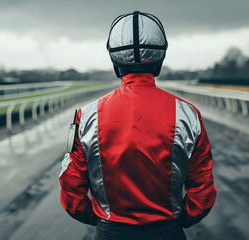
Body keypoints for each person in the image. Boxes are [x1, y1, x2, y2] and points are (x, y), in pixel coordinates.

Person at [59, 11, 217, 240]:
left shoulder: (86, 116)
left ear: (115, 63)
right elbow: (202, 190)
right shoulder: (188, 114)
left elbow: (72, 193)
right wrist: (181, 220)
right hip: (168, 232)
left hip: (110, 232)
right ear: (159, 60)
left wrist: (102, 221)